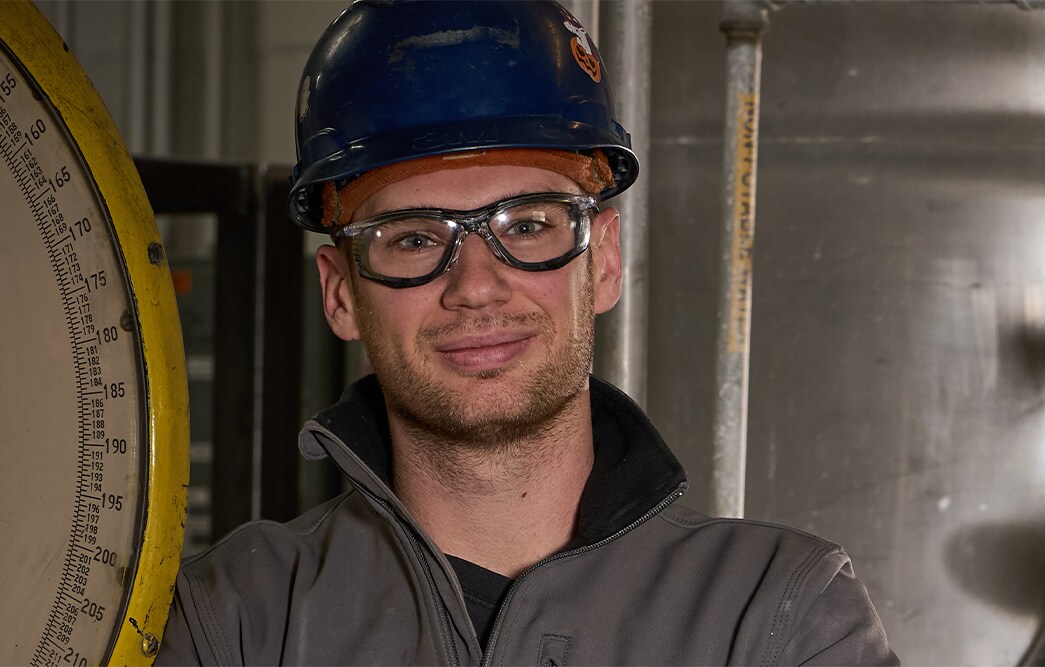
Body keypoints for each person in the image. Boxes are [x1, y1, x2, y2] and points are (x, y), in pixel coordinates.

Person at [157, 2, 897, 664]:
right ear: (341, 292)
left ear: (605, 262)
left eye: (528, 226)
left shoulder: (779, 619)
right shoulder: (235, 623)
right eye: (413, 238)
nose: (475, 285)